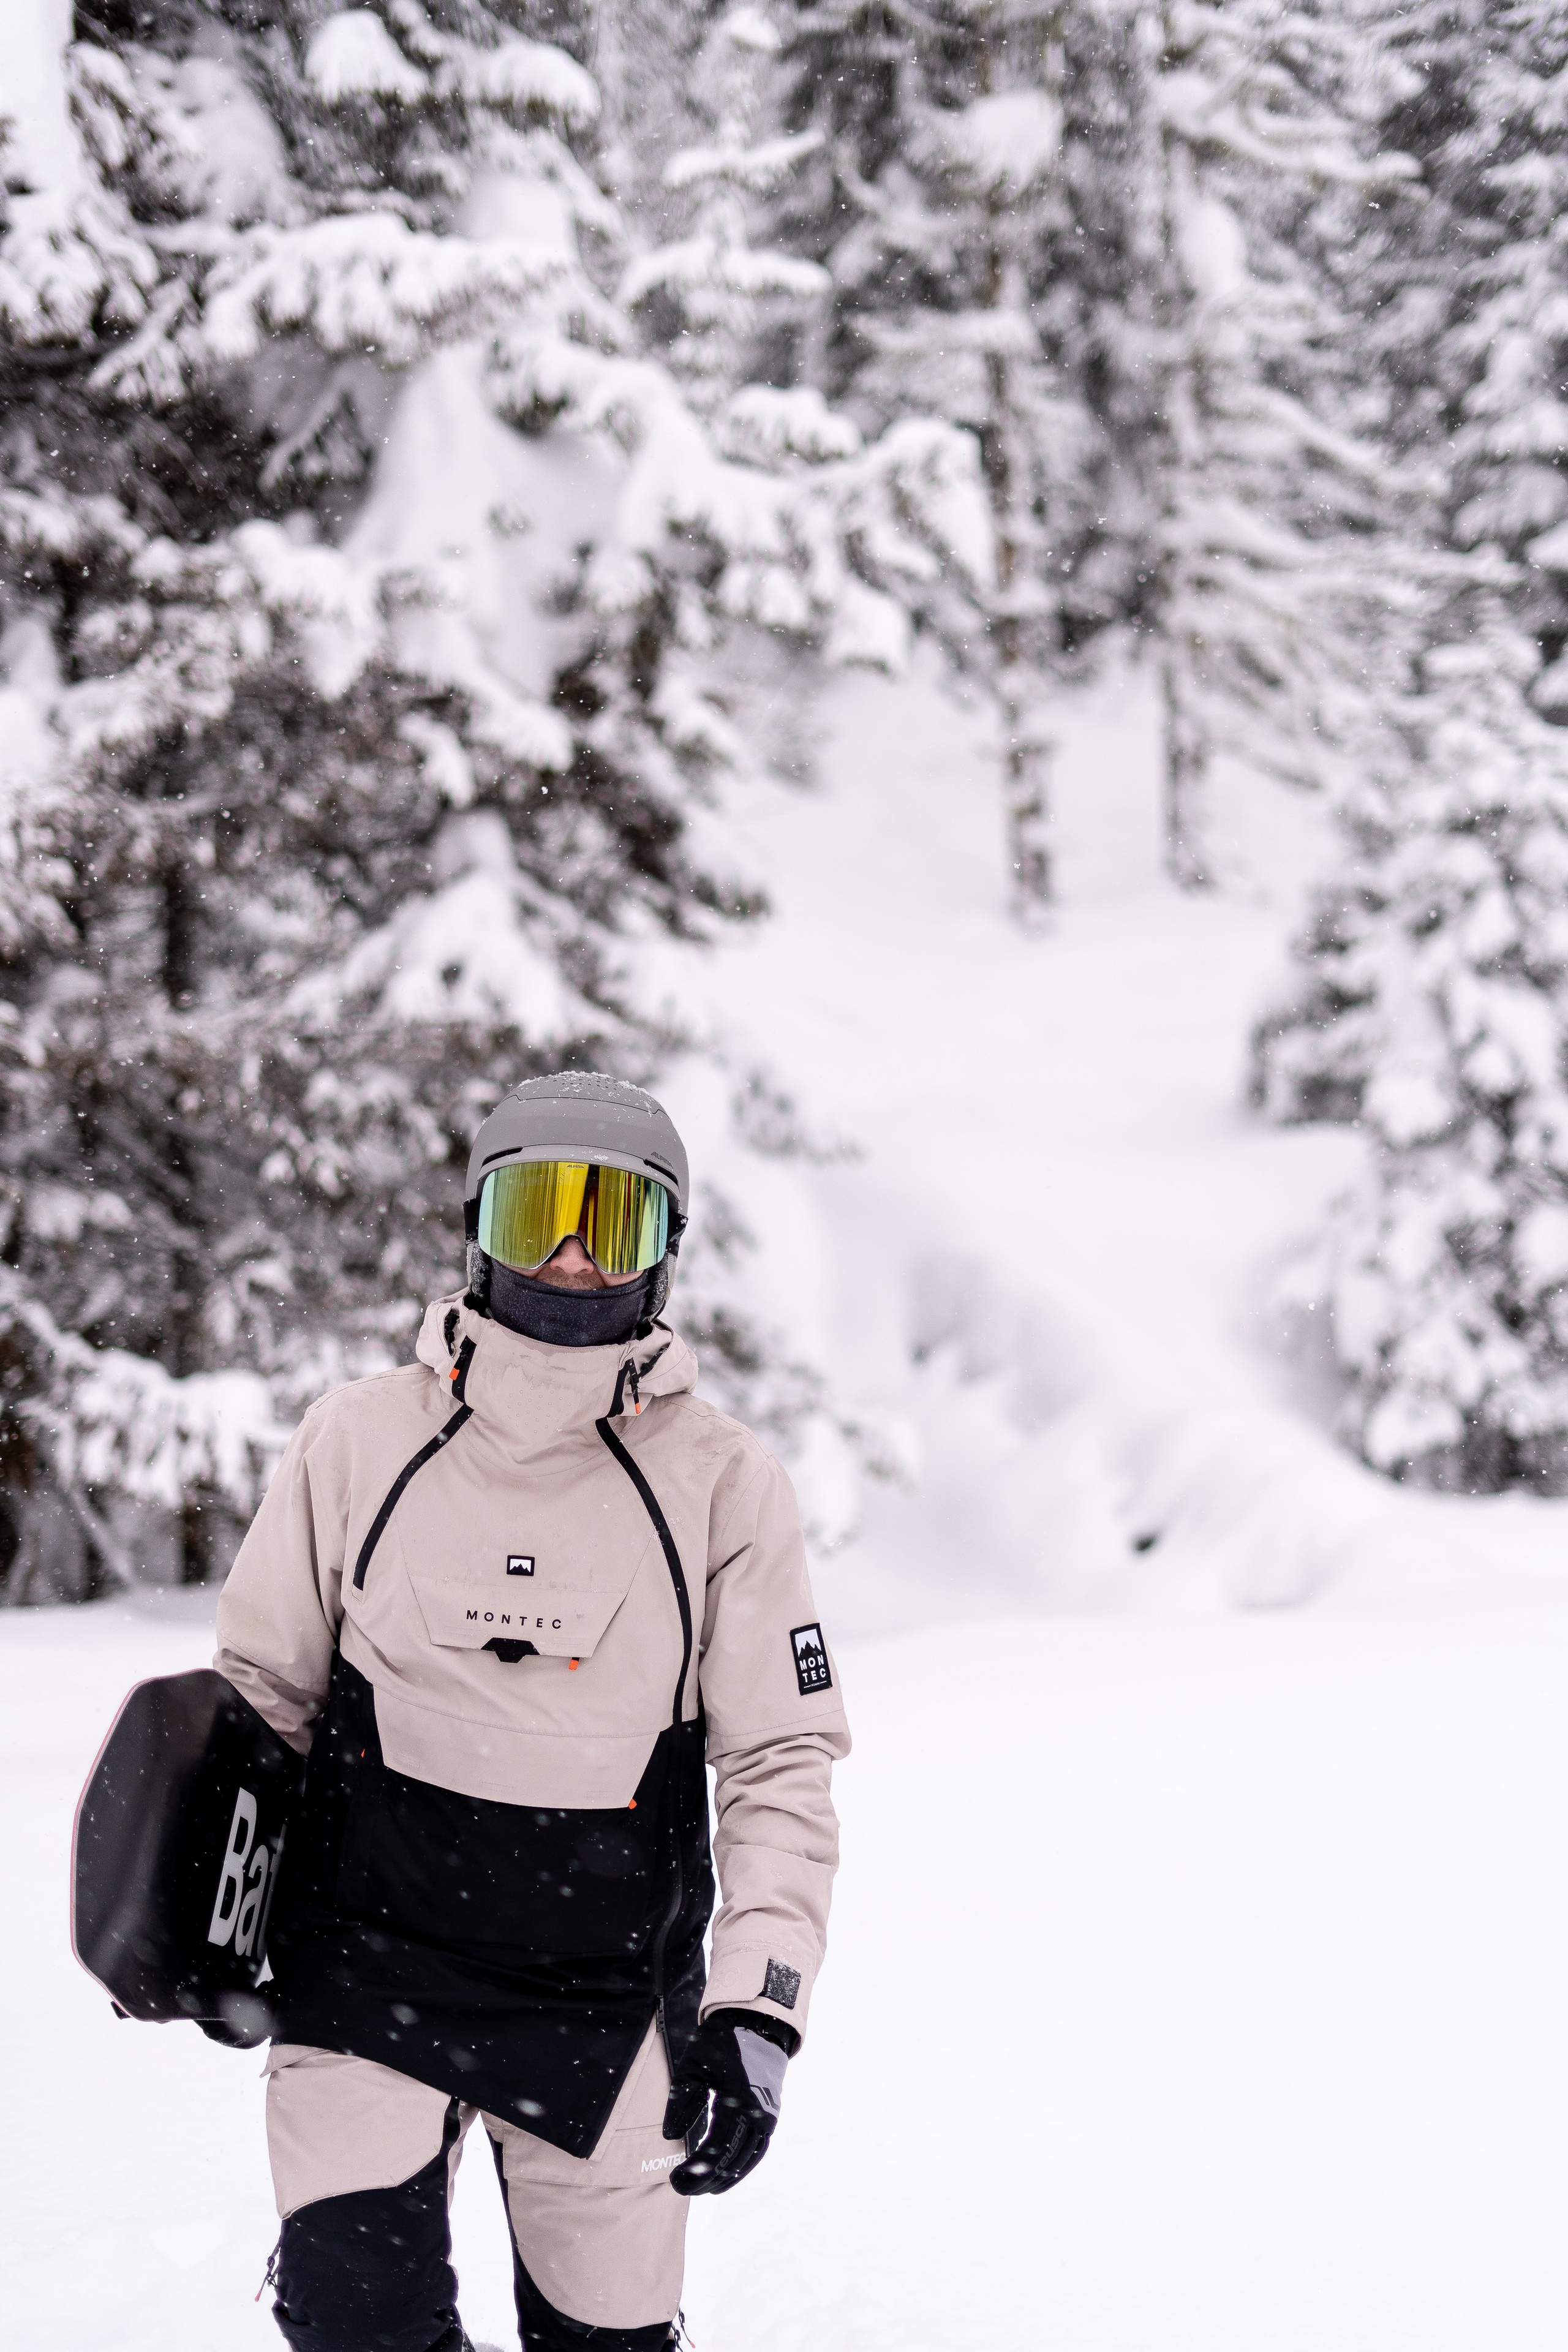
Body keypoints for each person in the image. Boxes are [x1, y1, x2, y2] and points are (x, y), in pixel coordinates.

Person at [214, 1072, 850, 2352]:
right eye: (531, 1216)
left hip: (607, 1997)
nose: (567, 1258)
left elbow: (778, 1759)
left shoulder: (721, 1483)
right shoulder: (358, 1441)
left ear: (664, 1254)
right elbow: (259, 1696)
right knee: (355, 2322)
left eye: (607, 1223)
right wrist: (191, 1895)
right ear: (474, 1229)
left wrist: (757, 2008)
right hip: (365, 1964)